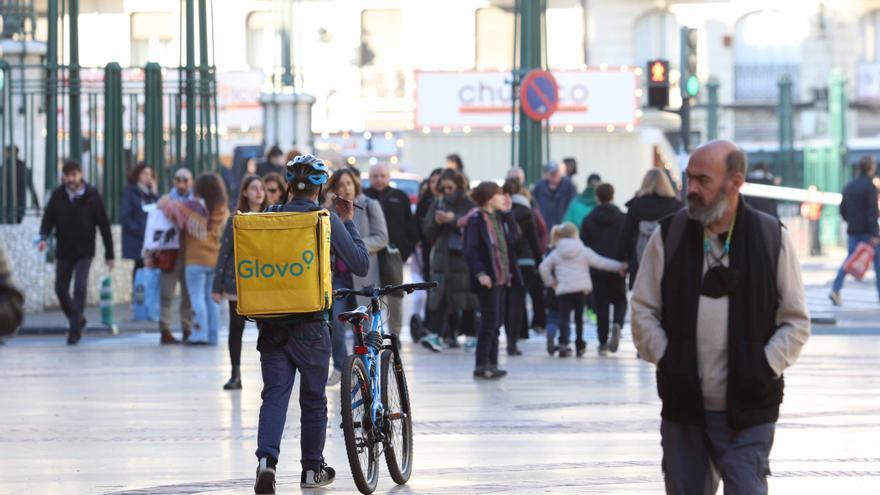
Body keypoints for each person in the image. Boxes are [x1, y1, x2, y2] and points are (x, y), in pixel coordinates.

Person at [631, 140, 810, 494]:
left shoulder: (770, 236)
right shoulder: (669, 236)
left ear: (735, 181)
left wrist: (764, 365)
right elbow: (642, 310)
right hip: (684, 410)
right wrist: (668, 358)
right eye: (688, 179)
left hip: (749, 410)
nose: (692, 189)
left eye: (703, 180)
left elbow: (796, 320)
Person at [253, 154, 369, 493]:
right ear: (320, 187)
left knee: (274, 395)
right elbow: (360, 264)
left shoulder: (269, 216)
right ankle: (311, 469)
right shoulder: (326, 218)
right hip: (313, 324)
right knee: (314, 399)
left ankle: (266, 463)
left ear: (289, 186)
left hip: (273, 322)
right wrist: (347, 222)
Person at [37, 159, 115, 345]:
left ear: (81, 175)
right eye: (67, 176)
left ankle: (74, 331)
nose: (71, 179)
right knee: (60, 289)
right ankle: (78, 320)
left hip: (84, 251)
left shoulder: (93, 196)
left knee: (80, 288)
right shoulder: (58, 196)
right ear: (63, 177)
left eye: (74, 175)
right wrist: (43, 237)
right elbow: (48, 219)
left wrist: (109, 254)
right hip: (64, 250)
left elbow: (104, 226)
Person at [325, 167, 388, 385]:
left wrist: (353, 247)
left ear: (356, 184)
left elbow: (381, 237)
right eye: (341, 185)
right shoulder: (329, 212)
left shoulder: (369, 205)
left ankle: (361, 369)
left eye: (349, 183)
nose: (346, 188)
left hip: (364, 278)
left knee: (363, 327)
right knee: (335, 322)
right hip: (338, 279)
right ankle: (341, 366)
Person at [212, 175, 267, 390]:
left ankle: (269, 373)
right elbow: (224, 252)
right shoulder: (235, 219)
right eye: (254, 188)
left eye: (261, 188)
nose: (259, 192)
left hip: (264, 283)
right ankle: (235, 374)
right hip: (237, 283)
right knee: (236, 328)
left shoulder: (273, 217)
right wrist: (216, 287)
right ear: (245, 192)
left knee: (267, 331)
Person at [161, 172, 229, 345]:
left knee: (196, 297)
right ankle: (212, 336)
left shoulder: (191, 207)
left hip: (195, 259)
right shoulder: (221, 209)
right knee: (210, 298)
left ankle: (199, 334)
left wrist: (165, 200)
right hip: (214, 257)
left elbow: (170, 208)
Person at [539, 223, 624, 357]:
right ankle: (580, 345)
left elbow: (543, 267)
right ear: (575, 234)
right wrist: (620, 266)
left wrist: (551, 282)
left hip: (564, 290)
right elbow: (601, 262)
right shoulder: (583, 250)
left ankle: (563, 343)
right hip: (581, 290)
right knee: (579, 319)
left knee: (564, 318)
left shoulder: (556, 252)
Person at [463, 182, 519, 378]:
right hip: (488, 279)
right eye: (499, 194)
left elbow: (514, 237)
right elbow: (471, 250)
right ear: (489, 198)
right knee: (489, 321)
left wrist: (509, 213)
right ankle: (482, 364)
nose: (503, 197)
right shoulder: (477, 220)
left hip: (502, 277)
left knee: (497, 322)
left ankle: (492, 363)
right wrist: (480, 273)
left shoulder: (498, 218)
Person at [422, 168, 478, 352]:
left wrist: (454, 219)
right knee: (440, 295)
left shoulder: (469, 203)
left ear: (459, 186)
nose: (447, 192)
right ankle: (436, 335)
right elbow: (427, 230)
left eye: (450, 187)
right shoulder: (438, 203)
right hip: (442, 256)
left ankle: (471, 335)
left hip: (463, 257)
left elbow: (474, 224)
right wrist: (438, 222)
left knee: (467, 296)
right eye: (443, 188)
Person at [363, 163, 419, 336]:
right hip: (370, 255)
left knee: (395, 296)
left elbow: (411, 226)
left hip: (394, 255)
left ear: (388, 177)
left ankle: (395, 334)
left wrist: (404, 251)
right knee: (372, 296)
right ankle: (374, 334)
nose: (379, 179)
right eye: (375, 176)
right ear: (370, 178)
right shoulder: (364, 198)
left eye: (382, 176)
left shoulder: (399, 196)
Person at [580, 183, 627, 355]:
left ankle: (602, 342)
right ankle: (618, 323)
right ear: (613, 195)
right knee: (620, 299)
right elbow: (628, 239)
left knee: (601, 305)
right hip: (618, 266)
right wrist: (625, 261)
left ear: (597, 198)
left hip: (596, 267)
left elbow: (584, 244)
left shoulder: (589, 219)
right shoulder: (622, 218)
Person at [616, 168, 683, 288]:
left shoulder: (635, 206)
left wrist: (621, 260)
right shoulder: (676, 207)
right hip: (669, 264)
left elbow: (625, 236)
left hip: (640, 263)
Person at [829, 155, 880, 306]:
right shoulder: (870, 187)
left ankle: (836, 289)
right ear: (871, 168)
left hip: (853, 231)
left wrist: (851, 222)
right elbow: (871, 212)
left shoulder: (849, 186)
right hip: (868, 233)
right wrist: (875, 234)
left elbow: (842, 210)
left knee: (849, 261)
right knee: (878, 264)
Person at [502, 179, 542, 351]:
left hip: (505, 261)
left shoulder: (501, 212)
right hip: (525, 260)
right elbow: (533, 239)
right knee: (518, 301)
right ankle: (513, 340)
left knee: (507, 301)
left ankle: (509, 335)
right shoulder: (526, 211)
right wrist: (538, 259)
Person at [156, 168, 194, 344]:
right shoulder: (165, 200)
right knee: (166, 294)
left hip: (189, 252)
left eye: (185, 180)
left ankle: (187, 328)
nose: (181, 184)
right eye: (178, 180)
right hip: (169, 252)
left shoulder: (195, 201)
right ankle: (165, 330)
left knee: (188, 295)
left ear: (191, 181)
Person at [119, 162, 158, 283]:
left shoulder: (151, 194)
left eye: (150, 175)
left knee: (152, 268)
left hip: (152, 239)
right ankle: (139, 297)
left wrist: (155, 193)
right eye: (145, 174)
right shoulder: (130, 193)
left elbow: (161, 209)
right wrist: (139, 230)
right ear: (138, 175)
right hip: (139, 238)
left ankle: (148, 298)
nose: (148, 177)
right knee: (140, 267)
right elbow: (124, 217)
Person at [532, 160, 578, 230]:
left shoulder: (569, 187)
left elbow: (574, 207)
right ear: (546, 174)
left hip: (564, 229)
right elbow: (533, 208)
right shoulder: (539, 188)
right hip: (544, 229)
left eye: (557, 172)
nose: (554, 175)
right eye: (551, 173)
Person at [4, 145, 40, 223]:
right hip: (20, 207)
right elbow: (31, 188)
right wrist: (37, 206)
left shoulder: (3, 168)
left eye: (5, 153)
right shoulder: (24, 168)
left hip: (4, 206)